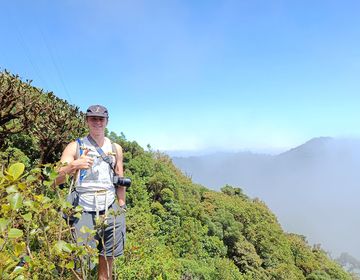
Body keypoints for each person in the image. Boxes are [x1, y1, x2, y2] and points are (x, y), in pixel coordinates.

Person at [56, 105, 126, 280]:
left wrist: (122, 206)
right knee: (80, 262)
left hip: (110, 208)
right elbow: (54, 179)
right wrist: (73, 165)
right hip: (82, 210)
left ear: (107, 122)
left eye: (101, 119)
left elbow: (120, 176)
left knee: (107, 262)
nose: (97, 122)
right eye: (93, 118)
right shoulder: (75, 146)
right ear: (87, 121)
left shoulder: (116, 148)